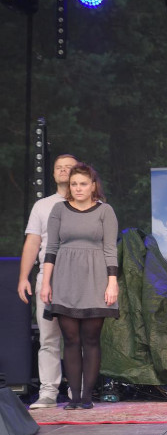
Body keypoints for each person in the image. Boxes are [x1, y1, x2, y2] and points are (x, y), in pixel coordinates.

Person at [40, 164, 119, 410]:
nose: (78, 188)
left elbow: (110, 249)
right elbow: (51, 248)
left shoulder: (105, 211)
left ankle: (87, 397)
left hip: (96, 278)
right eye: (74, 184)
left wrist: (112, 282)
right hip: (65, 279)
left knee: (91, 339)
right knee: (71, 339)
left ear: (93, 186)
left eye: (83, 184)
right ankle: (73, 397)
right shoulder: (58, 209)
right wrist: (46, 283)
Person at [18, 154, 79, 409]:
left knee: (78, 338)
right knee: (49, 338)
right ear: (53, 174)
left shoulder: (92, 203)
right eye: (59, 168)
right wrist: (24, 277)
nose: (63, 171)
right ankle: (48, 392)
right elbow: (33, 242)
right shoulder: (42, 206)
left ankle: (79, 390)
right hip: (48, 279)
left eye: (69, 167)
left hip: (80, 279)